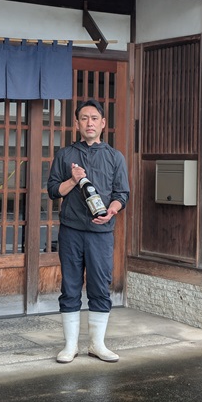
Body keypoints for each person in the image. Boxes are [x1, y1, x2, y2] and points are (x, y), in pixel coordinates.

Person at [47, 98, 129, 363]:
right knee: (70, 286)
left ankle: (98, 344)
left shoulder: (115, 157)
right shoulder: (65, 155)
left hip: (102, 233)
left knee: (100, 287)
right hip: (71, 230)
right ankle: (70, 346)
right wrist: (73, 179)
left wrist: (112, 211)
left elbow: (122, 194)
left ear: (103, 123)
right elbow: (52, 191)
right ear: (77, 123)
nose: (89, 123)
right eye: (84, 118)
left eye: (94, 118)